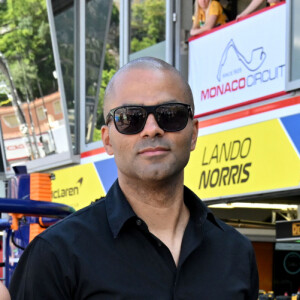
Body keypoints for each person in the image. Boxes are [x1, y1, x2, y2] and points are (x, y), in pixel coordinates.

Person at [9, 57, 259, 299]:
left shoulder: (236, 252)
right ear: (107, 139)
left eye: (170, 114)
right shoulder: (55, 254)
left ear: (193, 133)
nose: (152, 129)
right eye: (130, 118)